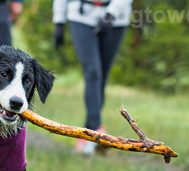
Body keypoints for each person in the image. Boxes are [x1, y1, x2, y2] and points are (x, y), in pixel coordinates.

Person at [53, 0, 133, 154]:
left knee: (101, 77)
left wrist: (111, 13)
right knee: (93, 72)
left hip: (116, 19)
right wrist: (59, 21)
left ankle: (86, 135)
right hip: (80, 16)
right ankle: (97, 132)